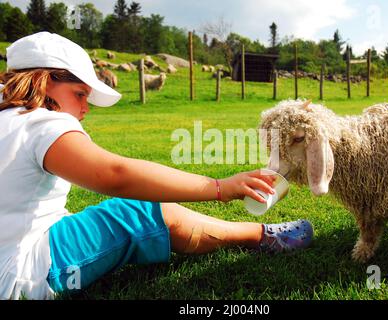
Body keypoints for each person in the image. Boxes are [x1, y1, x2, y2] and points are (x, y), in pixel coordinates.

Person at [0, 32, 313, 300]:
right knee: (141, 213)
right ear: (42, 79)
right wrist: (219, 187)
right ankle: (260, 236)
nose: (84, 109)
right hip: (23, 272)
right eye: (80, 94)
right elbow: (114, 174)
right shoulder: (41, 122)